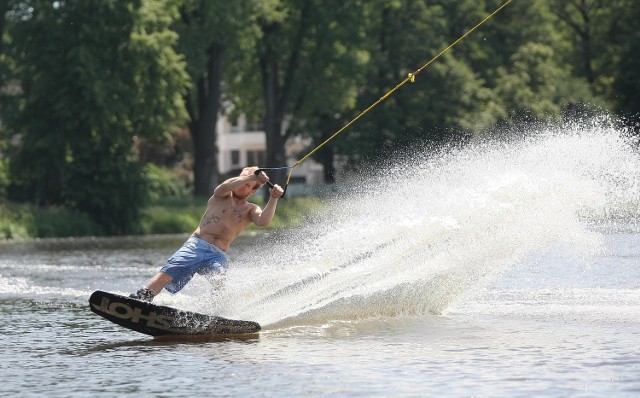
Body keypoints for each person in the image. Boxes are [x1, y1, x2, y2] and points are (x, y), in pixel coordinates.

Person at [130, 166, 284, 302]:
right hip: (196, 245)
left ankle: (215, 312)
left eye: (248, 185)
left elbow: (263, 221)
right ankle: (144, 296)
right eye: (241, 179)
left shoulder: (250, 209)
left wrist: (273, 197)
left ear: (253, 191)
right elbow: (225, 186)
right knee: (170, 269)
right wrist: (251, 176)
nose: (242, 185)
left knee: (219, 281)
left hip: (218, 254)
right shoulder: (221, 194)